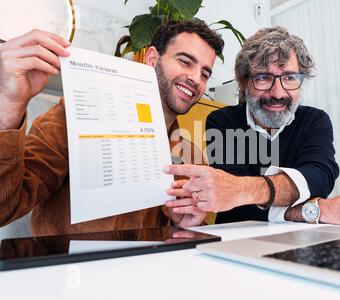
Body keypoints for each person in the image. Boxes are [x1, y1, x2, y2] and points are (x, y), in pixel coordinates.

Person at [0, 20, 224, 235]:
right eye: (185, 61)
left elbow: (190, 241)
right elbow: (6, 207)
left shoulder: (191, 158)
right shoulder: (77, 116)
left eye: (205, 73)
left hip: (149, 272)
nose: (196, 78)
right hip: (68, 270)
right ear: (152, 58)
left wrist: (190, 227)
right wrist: (9, 109)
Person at [164, 27, 340, 226]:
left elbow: (320, 177)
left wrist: (242, 190)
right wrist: (325, 210)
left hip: (304, 241)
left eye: (290, 78)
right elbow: (237, 208)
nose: (278, 93)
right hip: (239, 244)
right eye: (263, 78)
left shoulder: (314, 120)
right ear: (244, 83)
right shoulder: (222, 121)